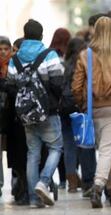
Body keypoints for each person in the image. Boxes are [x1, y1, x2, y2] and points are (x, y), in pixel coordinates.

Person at [72, 17, 111, 208]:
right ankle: (98, 188)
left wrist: (83, 106)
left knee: (107, 150)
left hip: (93, 111)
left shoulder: (85, 55)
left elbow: (76, 86)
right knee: (108, 151)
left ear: (94, 31)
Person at [7, 19, 65, 208]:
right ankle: (43, 182)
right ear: (41, 35)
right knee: (56, 148)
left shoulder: (15, 59)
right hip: (48, 112)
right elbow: (58, 82)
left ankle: (33, 199)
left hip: (25, 114)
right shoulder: (49, 55)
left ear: (24, 36)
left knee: (33, 153)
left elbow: (11, 83)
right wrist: (54, 101)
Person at [60, 38, 97, 195]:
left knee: (69, 146)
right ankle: (88, 180)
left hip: (65, 110)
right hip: (80, 108)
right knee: (85, 144)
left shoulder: (64, 64)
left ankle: (72, 183)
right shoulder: (84, 62)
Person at [4, 37, 29, 205]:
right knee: (18, 157)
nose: (10, 53)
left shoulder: (16, 65)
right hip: (11, 119)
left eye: (12, 49)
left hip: (18, 117)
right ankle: (21, 187)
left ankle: (23, 189)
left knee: (22, 156)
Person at [49, 27, 71, 190]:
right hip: (70, 105)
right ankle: (69, 177)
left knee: (59, 143)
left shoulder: (49, 55)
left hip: (56, 106)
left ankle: (62, 179)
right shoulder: (70, 57)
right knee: (69, 142)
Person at [0, 36, 12, 197]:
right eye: (0, 49)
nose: (2, 52)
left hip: (12, 115)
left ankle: (18, 183)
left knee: (14, 150)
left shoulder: (14, 66)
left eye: (5, 49)